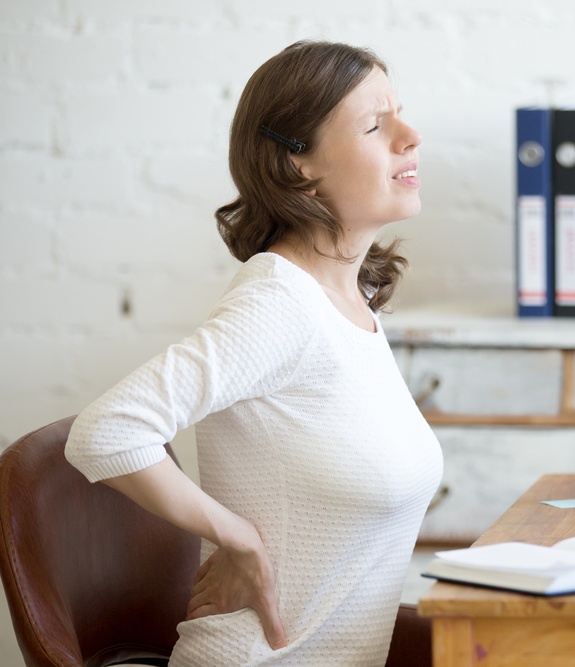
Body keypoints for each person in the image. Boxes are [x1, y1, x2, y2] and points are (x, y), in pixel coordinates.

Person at [65, 40, 443, 666]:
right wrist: (235, 537)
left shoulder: (350, 302)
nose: (410, 136)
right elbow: (105, 432)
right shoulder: (280, 302)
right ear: (299, 163)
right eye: (376, 125)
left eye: (400, 113)